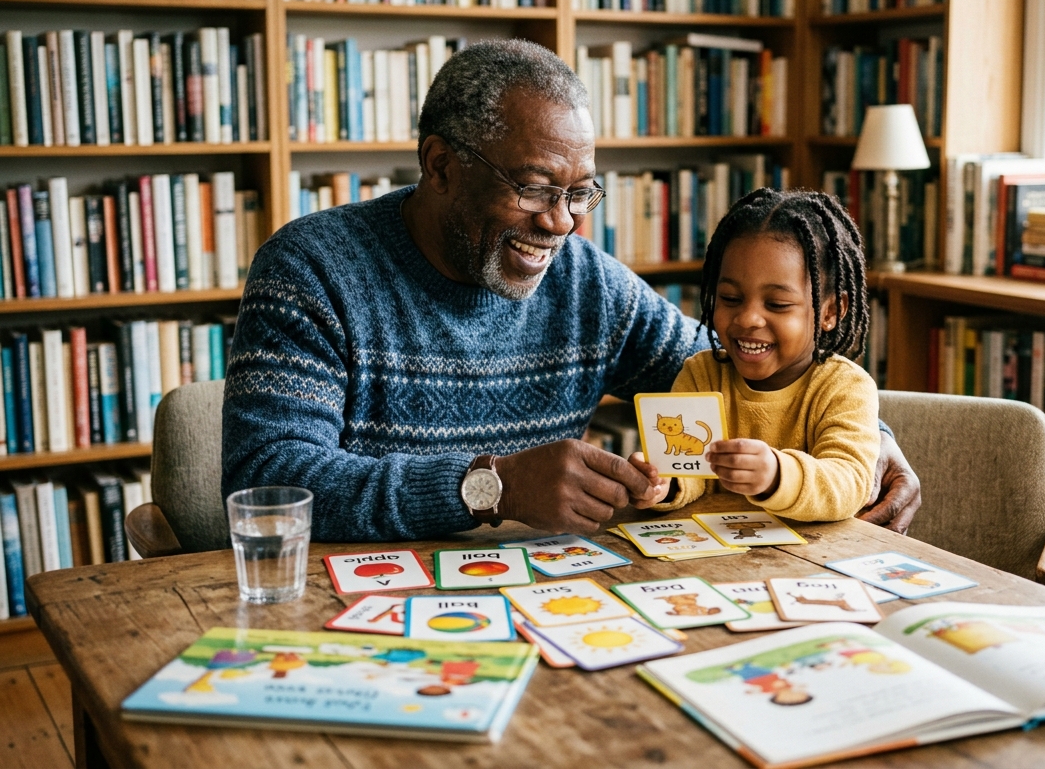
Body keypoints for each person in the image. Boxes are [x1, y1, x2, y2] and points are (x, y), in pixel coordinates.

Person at [221, 39, 920, 542]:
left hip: (542, 602)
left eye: (580, 191)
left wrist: (870, 437)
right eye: (532, 187)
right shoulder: (311, 270)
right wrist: (491, 485)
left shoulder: (588, 285)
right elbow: (269, 482)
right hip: (346, 606)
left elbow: (739, 365)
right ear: (440, 166)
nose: (561, 222)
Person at [637, 188, 879, 521]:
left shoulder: (845, 388)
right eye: (730, 299)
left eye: (777, 305)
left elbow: (849, 482)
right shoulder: (701, 375)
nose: (748, 319)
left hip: (812, 561)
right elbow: (690, 469)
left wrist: (777, 475)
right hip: (722, 560)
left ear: (830, 311)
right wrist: (665, 482)